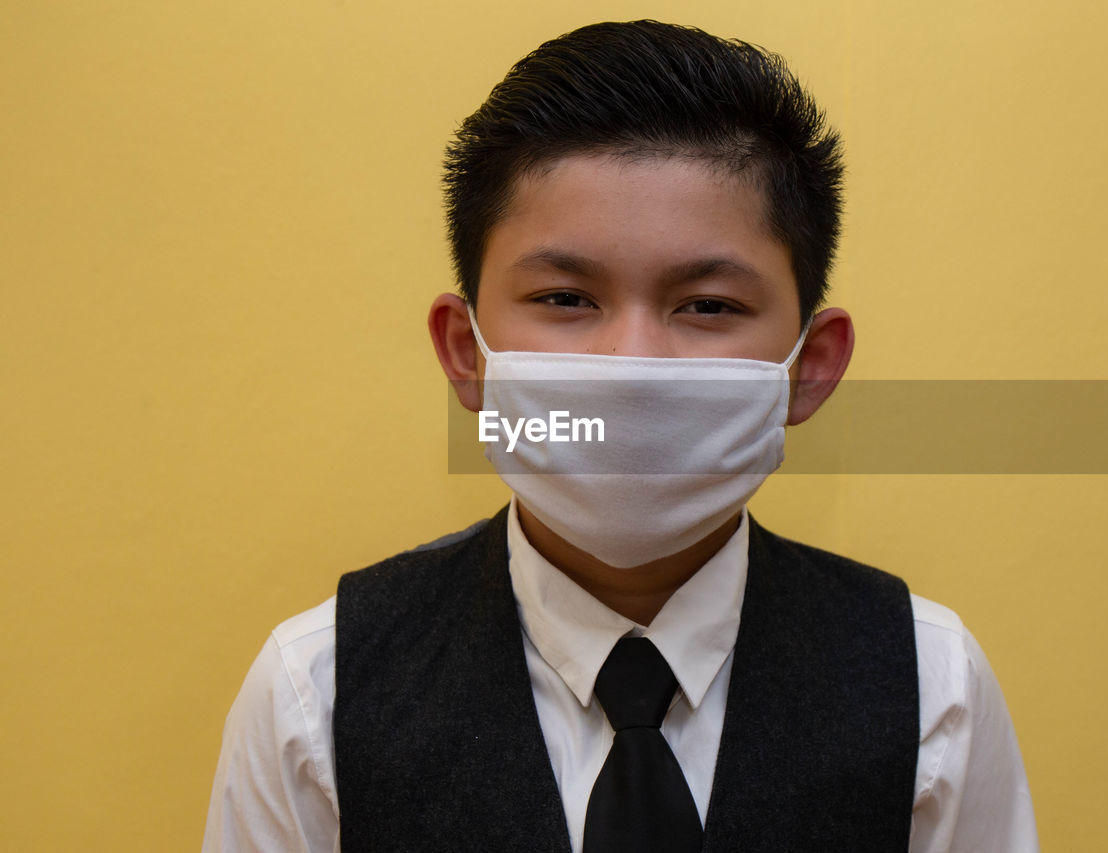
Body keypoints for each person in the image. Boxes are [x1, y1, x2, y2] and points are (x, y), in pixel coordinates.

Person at [203, 20, 1038, 852]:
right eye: (566, 298)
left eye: (707, 305)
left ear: (808, 367)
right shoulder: (316, 694)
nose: (632, 366)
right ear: (467, 354)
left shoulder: (933, 689)